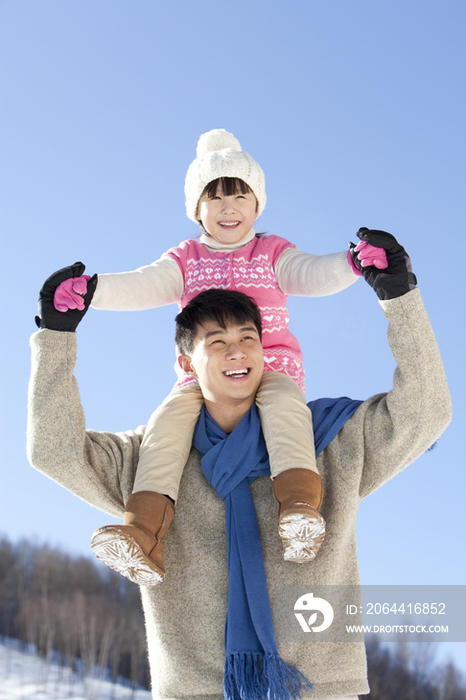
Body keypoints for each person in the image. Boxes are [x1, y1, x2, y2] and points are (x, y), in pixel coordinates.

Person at [28, 228, 451, 700]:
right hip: (195, 690)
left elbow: (426, 410)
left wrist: (401, 300)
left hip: (318, 688)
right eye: (216, 341)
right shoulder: (149, 459)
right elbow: (53, 449)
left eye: (248, 337)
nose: (237, 351)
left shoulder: (327, 441)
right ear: (187, 365)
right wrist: (55, 340)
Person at [51, 128, 388, 585]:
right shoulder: (186, 259)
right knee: (166, 425)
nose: (229, 208)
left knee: (286, 407)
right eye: (215, 198)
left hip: (268, 369)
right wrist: (93, 291)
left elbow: (310, 273)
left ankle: (299, 507)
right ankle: (143, 533)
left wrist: (352, 262)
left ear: (257, 205)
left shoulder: (270, 253)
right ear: (196, 209)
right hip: (201, 382)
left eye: (240, 196)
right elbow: (143, 284)